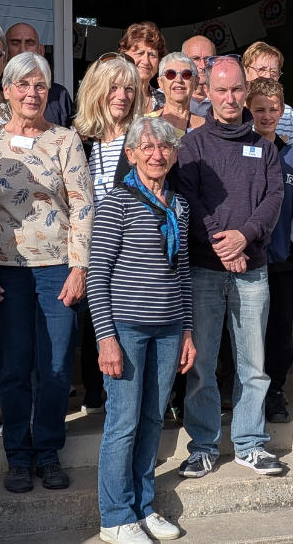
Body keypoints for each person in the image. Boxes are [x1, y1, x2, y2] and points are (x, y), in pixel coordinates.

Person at [0, 52, 93, 494]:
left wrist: (79, 267)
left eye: (40, 85)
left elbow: (82, 204)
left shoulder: (65, 139)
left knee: (56, 366)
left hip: (58, 267)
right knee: (14, 367)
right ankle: (18, 457)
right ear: (7, 90)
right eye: (22, 84)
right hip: (6, 270)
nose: (32, 93)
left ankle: (48, 451)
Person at [171, 54, 284, 479]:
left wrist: (244, 236)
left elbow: (274, 200)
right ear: (208, 92)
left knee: (253, 365)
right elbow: (188, 200)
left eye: (237, 89)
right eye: (221, 90)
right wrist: (223, 242)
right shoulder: (192, 146)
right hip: (204, 269)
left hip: (252, 269)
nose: (230, 98)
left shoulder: (265, 148)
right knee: (201, 366)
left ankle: (250, 443)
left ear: (246, 90)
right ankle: (202, 445)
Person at [89, 117, 196, 544]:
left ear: (174, 154)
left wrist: (187, 330)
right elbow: (98, 276)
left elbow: (182, 273)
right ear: (130, 154)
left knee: (152, 419)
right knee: (123, 423)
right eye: (147, 148)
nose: (157, 154)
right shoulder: (117, 203)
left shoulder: (179, 205)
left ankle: (143, 507)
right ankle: (115, 518)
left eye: (165, 147)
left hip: (169, 329)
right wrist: (106, 338)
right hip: (127, 330)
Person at [73, 53, 145, 414]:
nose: (122, 95)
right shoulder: (78, 140)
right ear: (96, 90)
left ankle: (123, 404)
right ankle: (93, 390)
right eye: (114, 87)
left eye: (129, 89)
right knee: (91, 323)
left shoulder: (142, 138)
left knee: (123, 330)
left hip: (128, 254)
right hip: (86, 250)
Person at [248, 78, 293, 424]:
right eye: (259, 109)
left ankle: (275, 391)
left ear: (283, 111)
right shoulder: (241, 152)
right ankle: (247, 393)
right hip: (247, 259)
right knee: (248, 331)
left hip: (283, 257)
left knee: (280, 331)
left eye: (273, 109)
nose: (267, 116)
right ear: (248, 110)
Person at [6, 22, 76, 127]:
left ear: (41, 50)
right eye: (15, 43)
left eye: (29, 43)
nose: (23, 50)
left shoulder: (59, 95)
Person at [242, 41, 293, 146]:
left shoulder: (288, 114)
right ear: (245, 71)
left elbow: (292, 153)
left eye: (273, 71)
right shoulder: (233, 111)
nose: (268, 76)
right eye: (261, 69)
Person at [146, 52, 206, 136]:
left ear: (196, 82)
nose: (179, 80)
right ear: (160, 83)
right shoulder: (145, 124)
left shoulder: (206, 127)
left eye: (186, 74)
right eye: (171, 74)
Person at [119, 21, 167, 113]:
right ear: (125, 56)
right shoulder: (114, 98)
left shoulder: (165, 102)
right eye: (140, 53)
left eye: (152, 55)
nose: (146, 61)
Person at [182, 35, 216, 117]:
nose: (203, 66)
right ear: (182, 61)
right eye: (196, 59)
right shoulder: (165, 96)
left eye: (208, 59)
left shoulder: (227, 97)